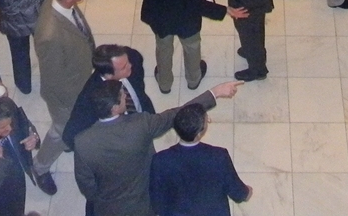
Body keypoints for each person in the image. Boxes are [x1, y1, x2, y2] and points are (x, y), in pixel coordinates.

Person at [74, 78, 241, 216]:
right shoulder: (140, 125)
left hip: (108, 208)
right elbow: (176, 114)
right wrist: (215, 93)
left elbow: (86, 185)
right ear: (114, 108)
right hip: (144, 204)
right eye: (122, 95)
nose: (126, 95)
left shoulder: (82, 141)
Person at [32, 0, 95, 195]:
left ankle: (70, 142)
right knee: (60, 131)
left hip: (79, 79)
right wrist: (74, 105)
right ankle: (39, 167)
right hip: (65, 96)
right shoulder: (50, 35)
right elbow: (54, 79)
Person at [150, 102, 252, 216]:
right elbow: (238, 193)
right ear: (199, 133)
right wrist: (247, 192)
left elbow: (157, 204)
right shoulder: (218, 156)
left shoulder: (160, 160)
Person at [63, 43, 155, 150]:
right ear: (109, 75)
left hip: (143, 115)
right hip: (123, 138)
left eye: (127, 61)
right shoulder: (90, 97)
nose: (130, 65)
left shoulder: (131, 57)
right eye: (124, 67)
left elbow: (136, 57)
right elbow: (69, 137)